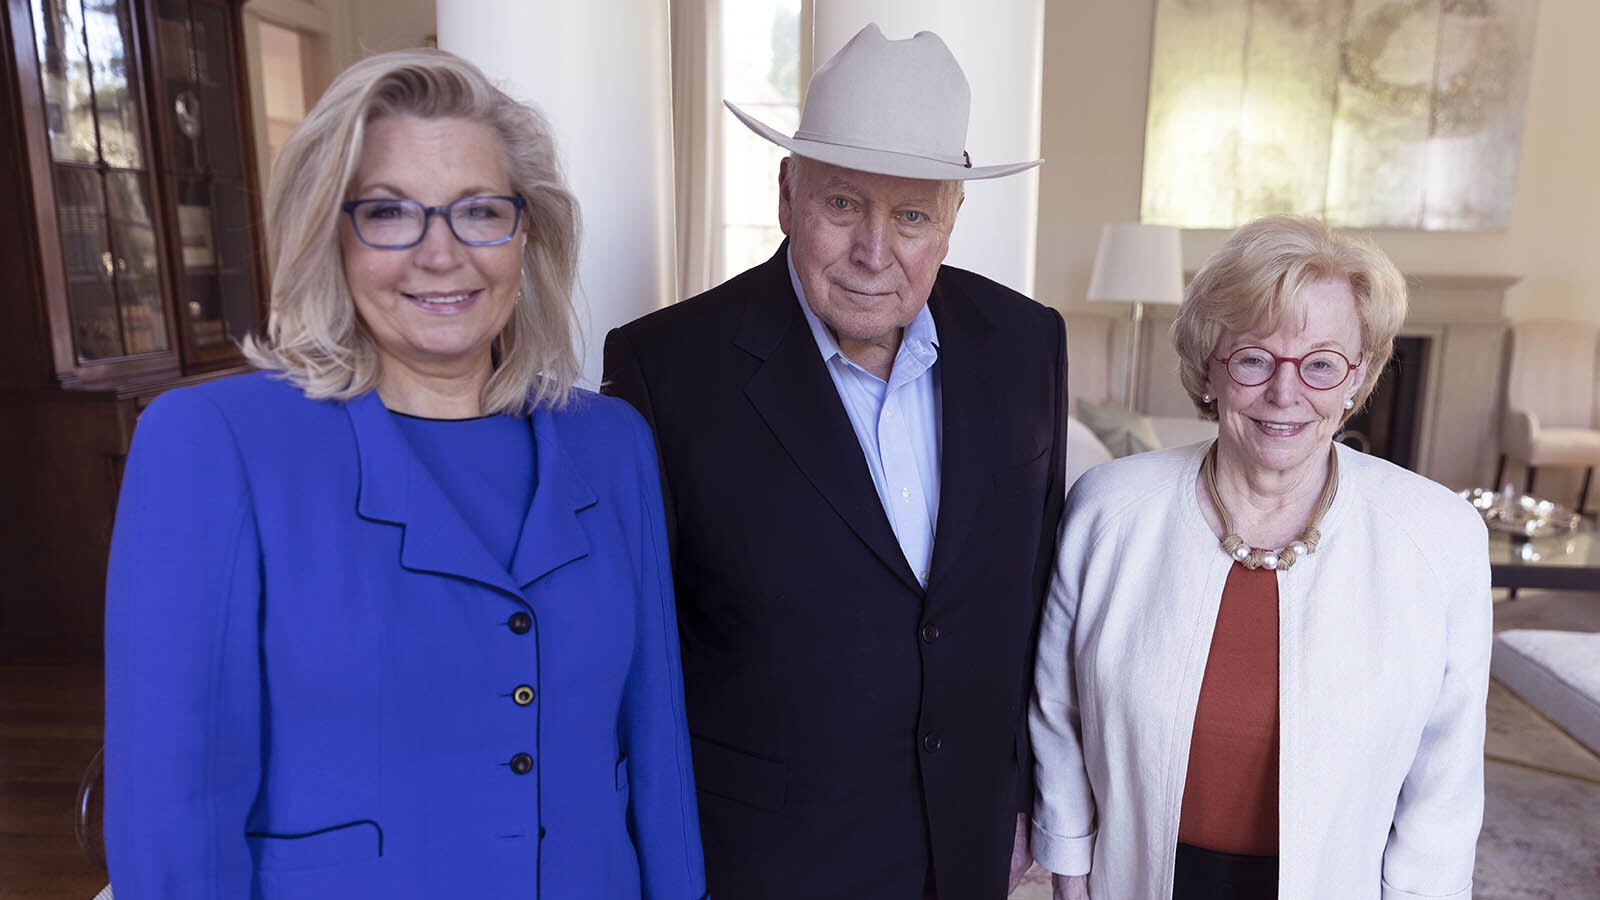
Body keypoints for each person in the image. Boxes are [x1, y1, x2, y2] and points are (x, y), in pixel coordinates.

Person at [103, 49, 706, 899]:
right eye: (389, 214)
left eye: (479, 211)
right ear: (330, 232)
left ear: (525, 231)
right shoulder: (212, 446)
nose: (440, 254)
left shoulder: (613, 442)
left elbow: (655, 740)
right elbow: (175, 810)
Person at [604, 23, 1068, 900]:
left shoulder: (1025, 342)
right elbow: (638, 655)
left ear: (953, 218)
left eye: (913, 216)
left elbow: (1029, 596)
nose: (873, 253)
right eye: (844, 204)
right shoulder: (665, 368)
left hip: (968, 851)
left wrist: (1024, 803)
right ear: (788, 194)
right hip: (766, 860)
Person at [1029, 215, 1492, 899]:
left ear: (1355, 377)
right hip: (1138, 878)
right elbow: (1057, 708)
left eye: (1321, 364)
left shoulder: (1439, 536)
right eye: (1253, 358)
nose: (1285, 392)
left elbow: (1444, 776)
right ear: (1209, 367)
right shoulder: (1107, 510)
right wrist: (1069, 867)